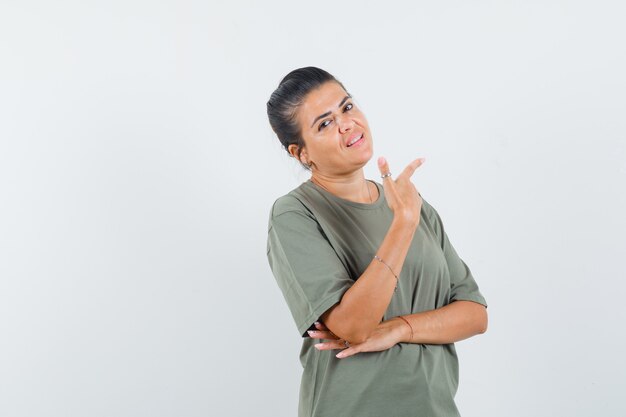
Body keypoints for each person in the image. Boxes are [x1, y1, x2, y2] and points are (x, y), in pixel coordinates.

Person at [265, 66, 488, 417]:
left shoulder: (410, 204)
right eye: (324, 124)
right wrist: (401, 227)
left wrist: (399, 329)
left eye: (347, 107)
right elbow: (352, 327)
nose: (346, 124)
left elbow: (474, 314)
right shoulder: (294, 215)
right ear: (300, 153)